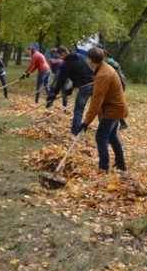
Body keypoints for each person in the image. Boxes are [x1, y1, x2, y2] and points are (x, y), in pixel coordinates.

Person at [79, 47, 129, 176]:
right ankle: (120, 163)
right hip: (116, 108)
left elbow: (96, 101)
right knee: (112, 135)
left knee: (100, 137)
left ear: (89, 59)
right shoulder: (104, 67)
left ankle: (103, 169)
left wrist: (86, 122)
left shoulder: (103, 74)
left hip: (112, 110)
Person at [46, 46, 95, 134]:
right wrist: (71, 88)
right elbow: (81, 74)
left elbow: (61, 79)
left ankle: (75, 132)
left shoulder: (66, 63)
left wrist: (55, 94)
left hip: (85, 87)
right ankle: (105, 131)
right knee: (99, 108)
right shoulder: (80, 56)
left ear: (63, 53)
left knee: (78, 111)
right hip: (95, 84)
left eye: (60, 56)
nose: (60, 58)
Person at [103, 49, 129, 130]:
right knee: (115, 106)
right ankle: (122, 124)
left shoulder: (111, 64)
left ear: (105, 56)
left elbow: (114, 78)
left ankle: (114, 126)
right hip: (118, 86)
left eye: (102, 57)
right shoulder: (111, 62)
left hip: (118, 86)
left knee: (113, 105)